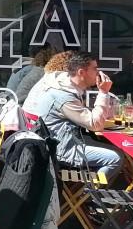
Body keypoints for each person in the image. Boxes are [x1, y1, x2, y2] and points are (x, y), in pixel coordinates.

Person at [23, 49, 122, 179]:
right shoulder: (63, 96)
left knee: (108, 146)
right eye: (95, 69)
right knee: (115, 157)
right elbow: (95, 124)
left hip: (53, 141)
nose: (98, 73)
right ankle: (90, 193)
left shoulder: (60, 83)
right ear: (81, 72)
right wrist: (103, 93)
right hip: (59, 150)